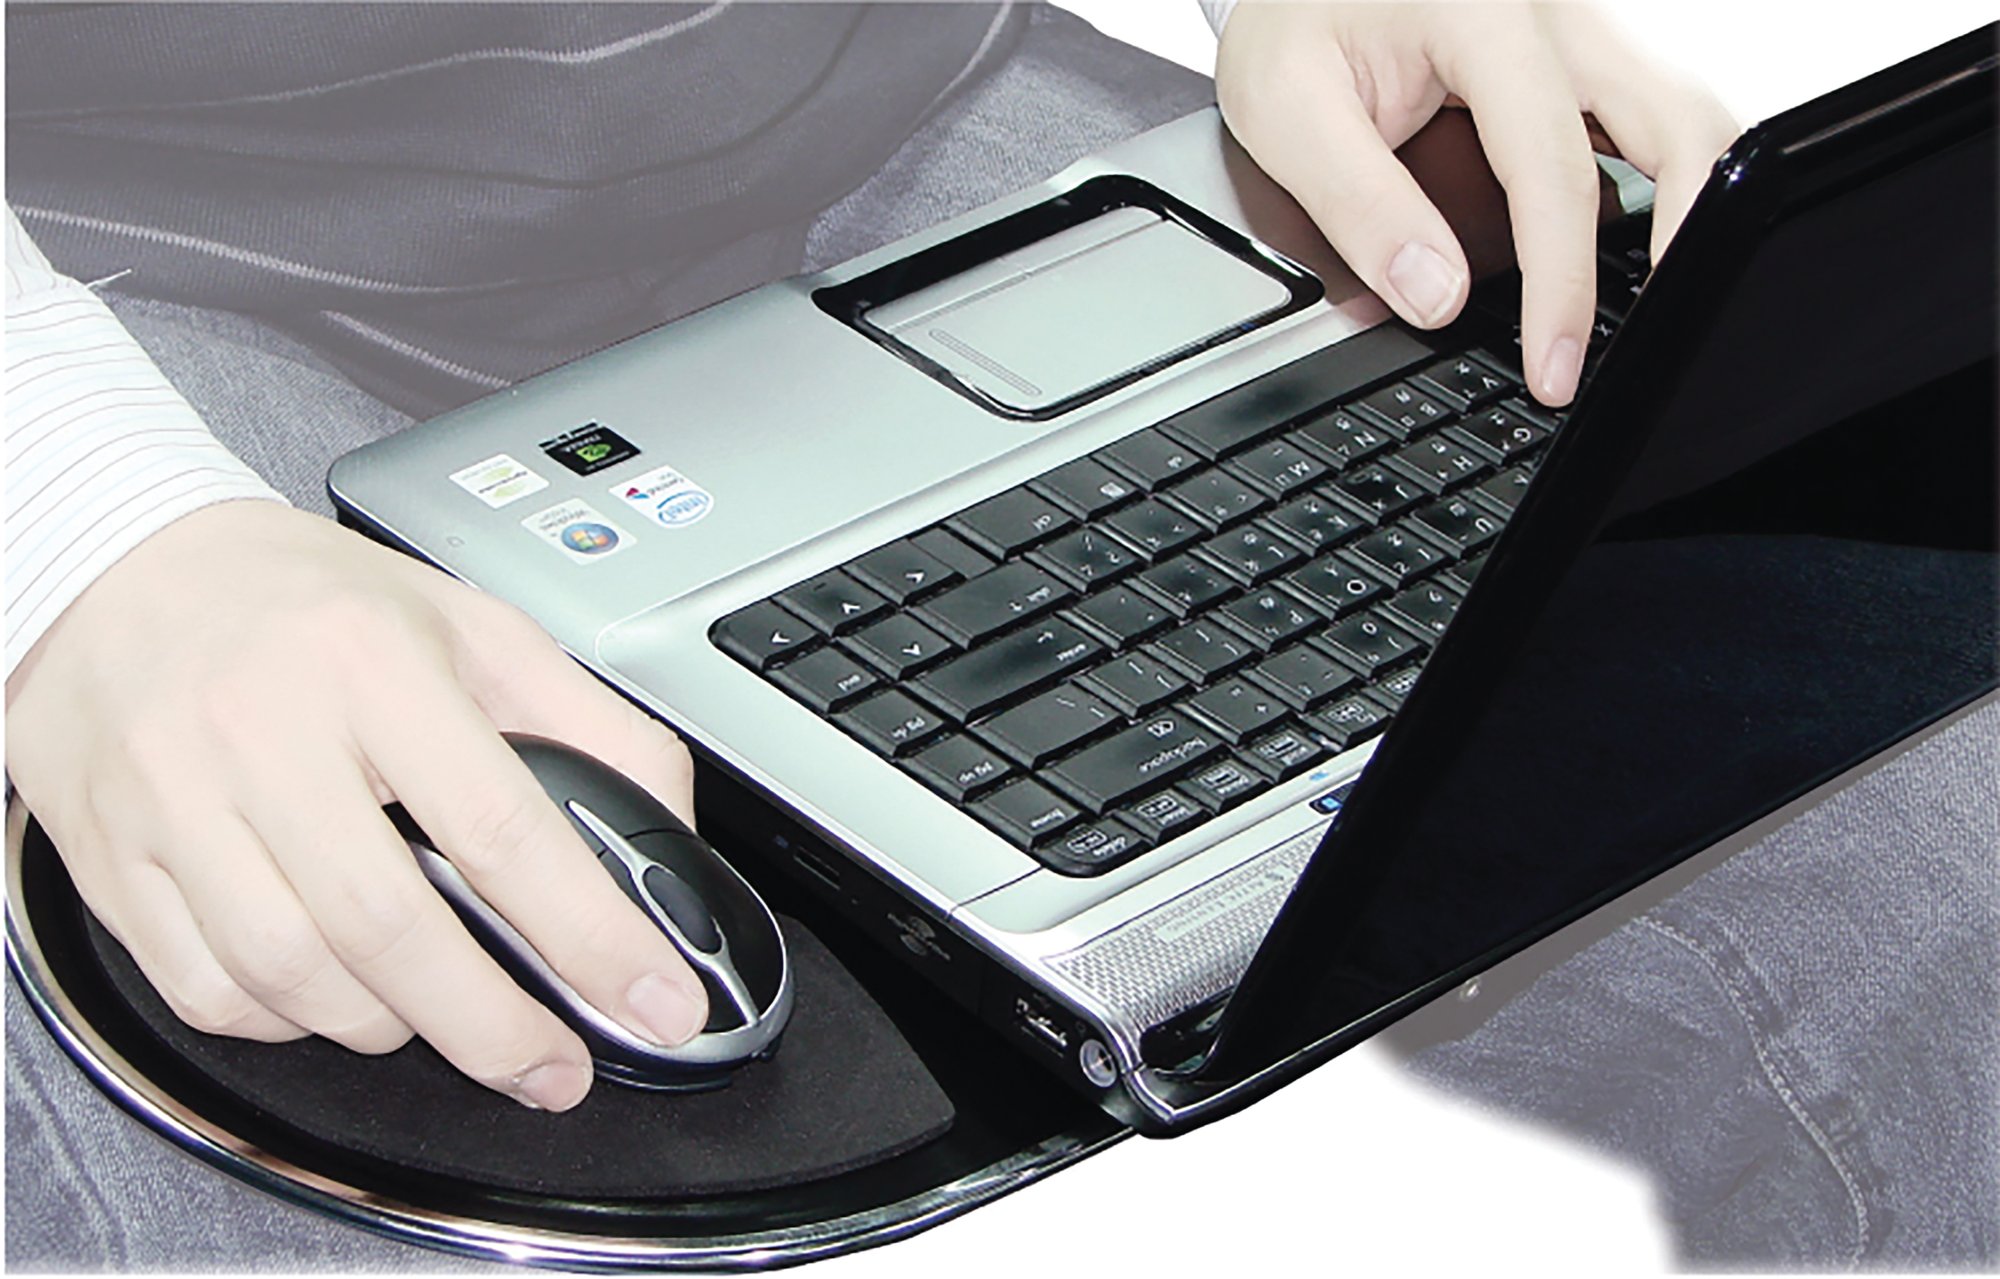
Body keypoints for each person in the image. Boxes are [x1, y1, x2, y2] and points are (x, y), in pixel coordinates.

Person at [16, 2, 1985, 1270]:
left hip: (877, 80)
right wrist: (91, 541)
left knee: (1928, 847)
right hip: (116, 254)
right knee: (359, 1131)